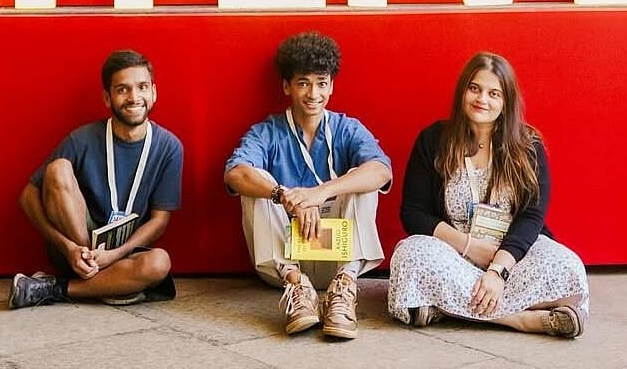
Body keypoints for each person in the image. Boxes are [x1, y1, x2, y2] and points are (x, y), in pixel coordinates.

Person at [387, 52, 590, 337]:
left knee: (568, 268)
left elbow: (532, 216)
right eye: (475, 88)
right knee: (410, 255)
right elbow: (413, 213)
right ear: (463, 91)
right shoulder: (433, 140)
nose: (482, 99)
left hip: (512, 255)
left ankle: (445, 307)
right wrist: (470, 247)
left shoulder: (528, 146)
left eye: (494, 93)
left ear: (506, 101)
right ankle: (520, 319)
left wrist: (497, 270)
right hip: (453, 252)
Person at [224, 31, 392, 339]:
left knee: (362, 177)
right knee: (258, 182)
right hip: (285, 263)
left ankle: (343, 292)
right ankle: (299, 293)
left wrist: (319, 194)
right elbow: (235, 173)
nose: (314, 93)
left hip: (339, 258)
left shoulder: (347, 128)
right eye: (303, 83)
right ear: (286, 86)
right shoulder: (267, 131)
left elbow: (381, 171)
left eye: (321, 83)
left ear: (332, 86)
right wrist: (283, 195)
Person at [8, 49, 183, 309]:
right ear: (107, 98)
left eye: (142, 87)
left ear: (154, 92)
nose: (134, 97)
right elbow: (28, 196)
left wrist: (115, 254)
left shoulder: (169, 147)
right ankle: (102, 278)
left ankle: (54, 289)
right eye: (122, 89)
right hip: (77, 246)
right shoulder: (82, 138)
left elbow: (160, 221)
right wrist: (68, 247)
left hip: (125, 251)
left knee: (159, 263)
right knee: (57, 169)